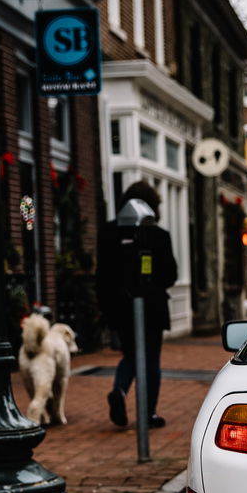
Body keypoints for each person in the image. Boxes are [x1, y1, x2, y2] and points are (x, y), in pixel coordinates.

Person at [96, 181, 178, 428]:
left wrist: (106, 308)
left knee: (131, 354)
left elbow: (102, 275)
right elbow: (170, 275)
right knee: (150, 359)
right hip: (151, 306)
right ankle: (148, 412)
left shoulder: (108, 233)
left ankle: (119, 390)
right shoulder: (159, 235)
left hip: (119, 307)